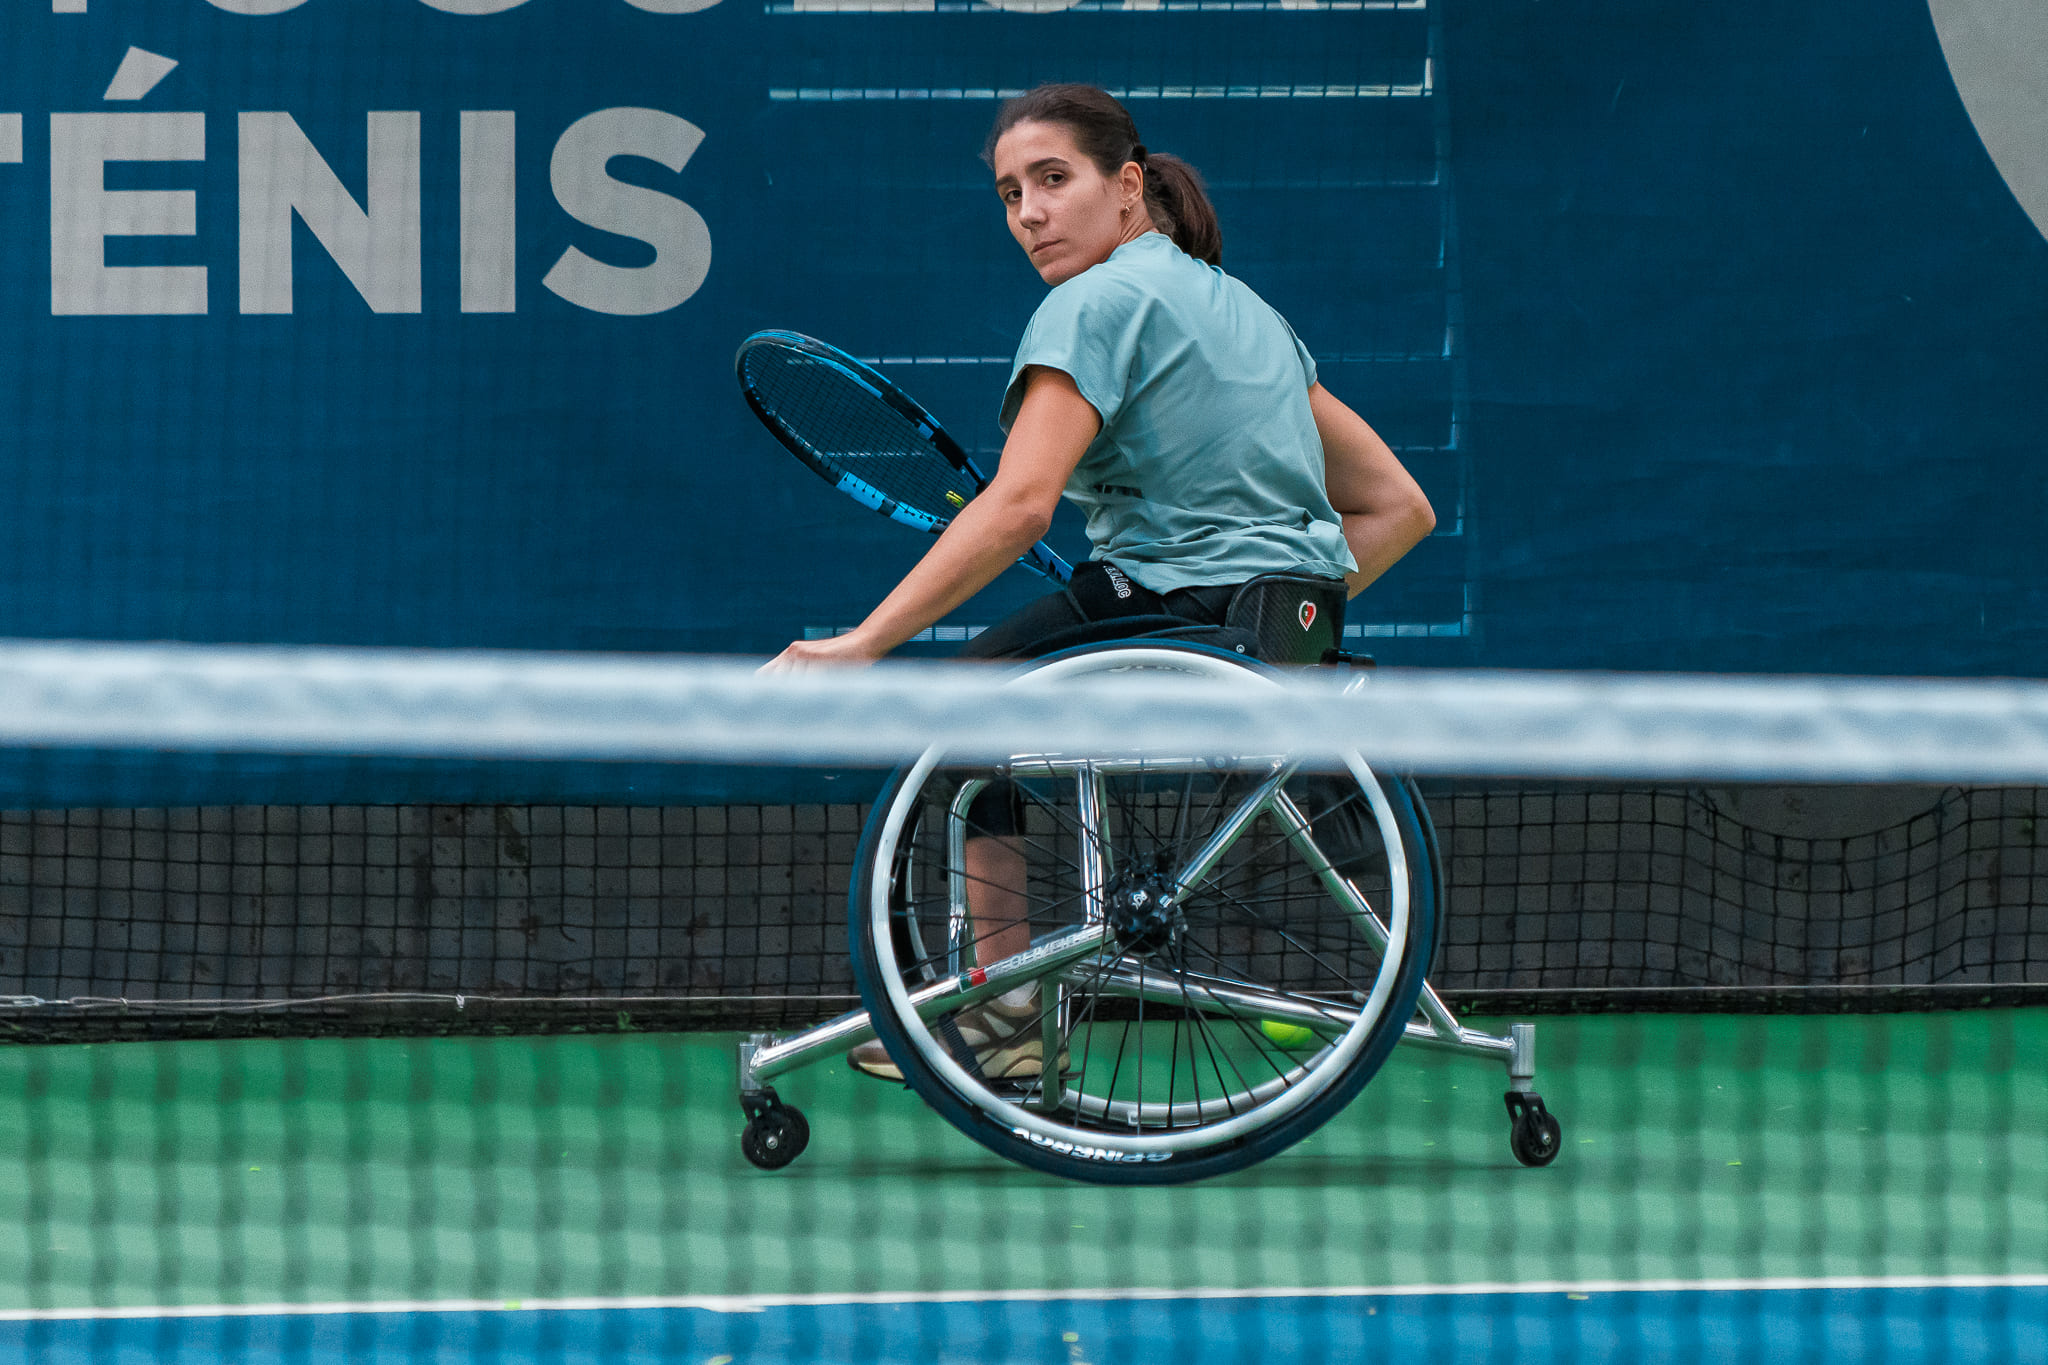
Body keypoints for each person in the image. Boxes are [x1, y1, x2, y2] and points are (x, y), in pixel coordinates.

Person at [763, 83, 1436, 1082]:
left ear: (1125, 187)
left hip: (1164, 622)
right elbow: (1398, 509)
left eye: (1052, 180)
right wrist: (1260, 625)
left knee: (948, 724)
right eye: (1007, 194)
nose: (1029, 213)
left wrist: (860, 645)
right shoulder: (1244, 309)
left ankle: (1005, 1006)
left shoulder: (1090, 303)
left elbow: (1019, 507)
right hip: (1280, 644)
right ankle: (1011, 998)